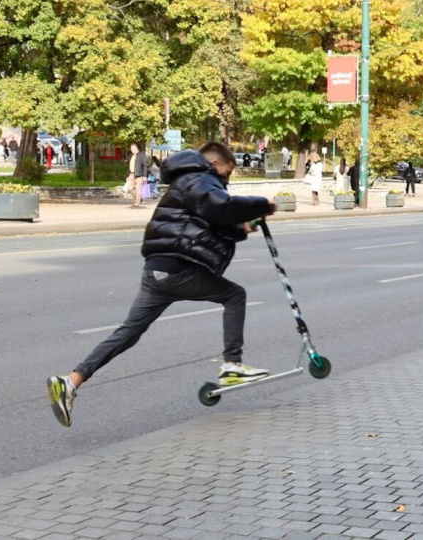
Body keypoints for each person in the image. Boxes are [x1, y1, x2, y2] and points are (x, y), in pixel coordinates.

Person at [45, 142, 278, 427]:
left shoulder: (188, 183)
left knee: (129, 333)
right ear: (215, 164)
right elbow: (222, 206)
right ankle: (231, 365)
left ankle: (69, 382)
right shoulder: (198, 178)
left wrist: (246, 226)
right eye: (227, 173)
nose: (226, 180)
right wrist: (262, 203)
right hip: (177, 270)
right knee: (234, 296)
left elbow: (215, 221)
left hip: (158, 272)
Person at [128, 143, 148, 209]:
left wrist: (145, 176)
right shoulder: (132, 156)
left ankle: (136, 204)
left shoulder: (141, 155)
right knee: (130, 189)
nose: (132, 150)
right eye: (131, 149)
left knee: (138, 190)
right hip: (131, 174)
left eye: (133, 148)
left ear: (137, 148)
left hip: (139, 175)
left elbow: (145, 166)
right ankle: (139, 199)